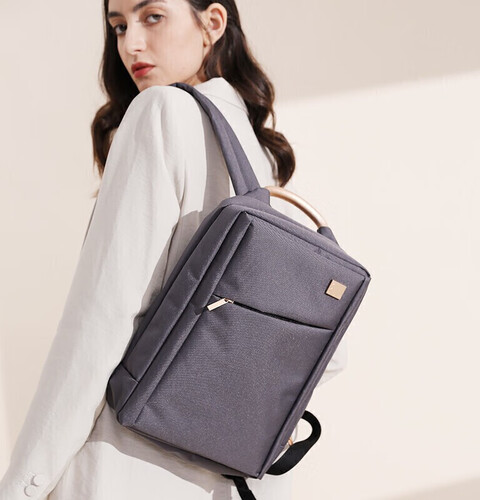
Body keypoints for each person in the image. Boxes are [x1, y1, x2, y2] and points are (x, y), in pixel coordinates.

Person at [0, 0, 348, 498]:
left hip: (119, 464)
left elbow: (101, 321)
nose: (131, 44)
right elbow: (323, 356)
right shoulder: (259, 153)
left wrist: (25, 484)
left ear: (212, 23)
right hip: (216, 480)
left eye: (152, 17)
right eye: (118, 26)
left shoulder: (160, 111)